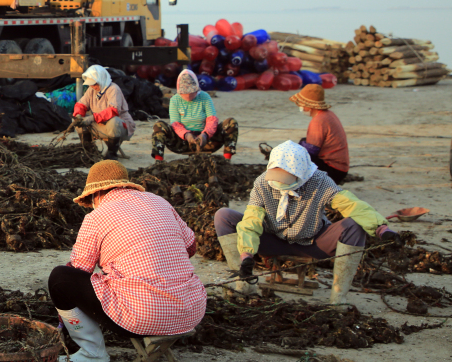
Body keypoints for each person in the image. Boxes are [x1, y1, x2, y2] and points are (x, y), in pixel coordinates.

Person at [47, 160, 206, 362]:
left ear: (96, 194)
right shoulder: (160, 202)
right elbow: (191, 247)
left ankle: (92, 352)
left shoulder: (97, 216)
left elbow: (79, 269)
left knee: (60, 279)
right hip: (192, 311)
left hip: (143, 316)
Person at [214, 141, 395, 304]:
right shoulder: (262, 183)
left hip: (314, 243)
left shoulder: (320, 181)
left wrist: (381, 229)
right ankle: (244, 285)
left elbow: (351, 204)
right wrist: (246, 255)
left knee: (354, 225)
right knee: (223, 215)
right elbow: (251, 220)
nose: (279, 182)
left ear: (300, 173)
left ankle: (338, 300)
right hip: (273, 240)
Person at [152, 69, 239, 161]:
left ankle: (227, 160)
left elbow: (212, 119)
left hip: (207, 141)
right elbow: (175, 124)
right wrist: (186, 135)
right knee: (159, 126)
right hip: (182, 142)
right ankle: (158, 161)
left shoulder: (205, 97)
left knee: (231, 123)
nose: (188, 96)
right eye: (185, 93)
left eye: (191, 92)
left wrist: (205, 135)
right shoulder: (174, 100)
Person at [72, 65, 135, 159]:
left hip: (120, 126)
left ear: (101, 79)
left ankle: (111, 154)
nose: (93, 86)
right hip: (101, 125)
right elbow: (81, 104)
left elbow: (113, 110)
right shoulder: (91, 90)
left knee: (114, 121)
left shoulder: (113, 89)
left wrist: (92, 118)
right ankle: (88, 151)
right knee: (79, 122)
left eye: (94, 84)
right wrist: (78, 115)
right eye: (91, 84)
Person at [291, 84, 348, 184]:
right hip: (341, 167)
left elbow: (310, 151)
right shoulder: (328, 114)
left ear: (308, 105)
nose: (300, 107)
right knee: (302, 143)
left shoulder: (318, 121)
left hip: (333, 170)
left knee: (296, 160)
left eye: (301, 104)